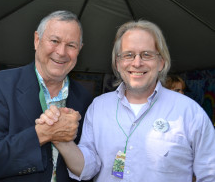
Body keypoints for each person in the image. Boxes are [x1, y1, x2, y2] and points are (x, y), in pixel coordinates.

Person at [36, 20, 215, 181]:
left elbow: (210, 173)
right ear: (117, 63)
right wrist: (59, 138)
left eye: (146, 54)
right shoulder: (99, 107)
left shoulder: (189, 112)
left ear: (161, 62)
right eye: (128, 55)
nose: (137, 63)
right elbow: (88, 169)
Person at [0, 10, 93, 182]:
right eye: (54, 41)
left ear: (80, 49)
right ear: (37, 40)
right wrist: (43, 133)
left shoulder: (86, 99)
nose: (62, 52)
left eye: (71, 45)